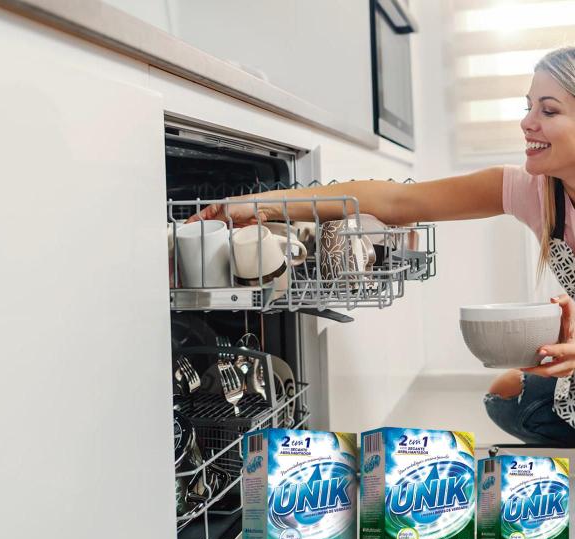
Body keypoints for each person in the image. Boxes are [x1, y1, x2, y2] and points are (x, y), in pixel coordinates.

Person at [188, 47, 575, 447]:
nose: (527, 123)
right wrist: (262, 207)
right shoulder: (538, 192)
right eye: (528, 107)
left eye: (548, 111)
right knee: (505, 397)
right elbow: (395, 202)